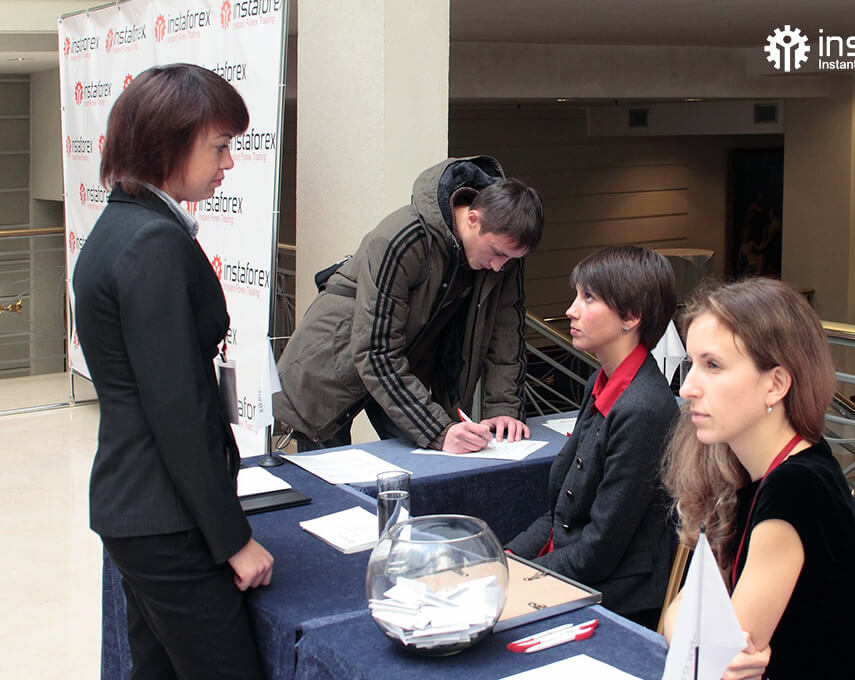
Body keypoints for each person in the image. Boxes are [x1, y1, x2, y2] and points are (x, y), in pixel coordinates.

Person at [73, 64, 272, 679]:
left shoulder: (121, 226)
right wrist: (233, 539)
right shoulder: (151, 242)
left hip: (141, 505)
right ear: (167, 143)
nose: (229, 162)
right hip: (165, 515)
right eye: (219, 146)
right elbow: (178, 410)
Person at [662, 278, 855, 680]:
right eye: (691, 364)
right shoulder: (750, 468)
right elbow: (688, 619)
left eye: (713, 365)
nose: (687, 388)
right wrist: (696, 639)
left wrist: (698, 641)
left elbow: (714, 657)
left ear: (775, 384)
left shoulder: (796, 489)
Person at [274, 156, 544, 453]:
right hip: (330, 364)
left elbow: (505, 337)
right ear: (473, 219)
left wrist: (503, 408)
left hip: (400, 371)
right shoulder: (402, 238)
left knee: (422, 467)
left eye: (510, 259)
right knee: (329, 476)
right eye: (496, 253)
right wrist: (438, 430)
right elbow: (375, 351)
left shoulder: (504, 253)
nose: (498, 266)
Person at [506, 245, 679, 628]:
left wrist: (519, 577)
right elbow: (560, 516)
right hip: (577, 571)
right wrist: (506, 559)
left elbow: (601, 549)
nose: (571, 310)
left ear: (631, 316)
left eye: (588, 298)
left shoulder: (644, 408)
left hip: (617, 599)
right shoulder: (600, 382)